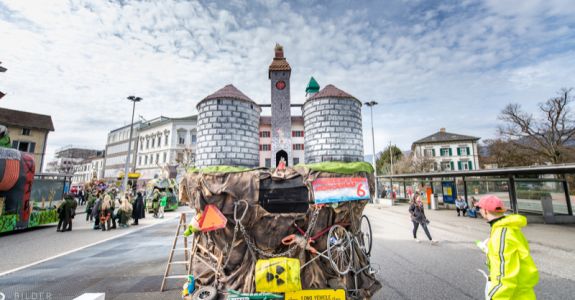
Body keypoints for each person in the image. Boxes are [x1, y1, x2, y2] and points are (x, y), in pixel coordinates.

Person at [476, 195, 539, 299]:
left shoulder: (501, 234)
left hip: (513, 295)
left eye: (480, 208)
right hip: (522, 291)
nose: (479, 211)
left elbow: (504, 273)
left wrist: (495, 297)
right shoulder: (509, 228)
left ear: (486, 211)